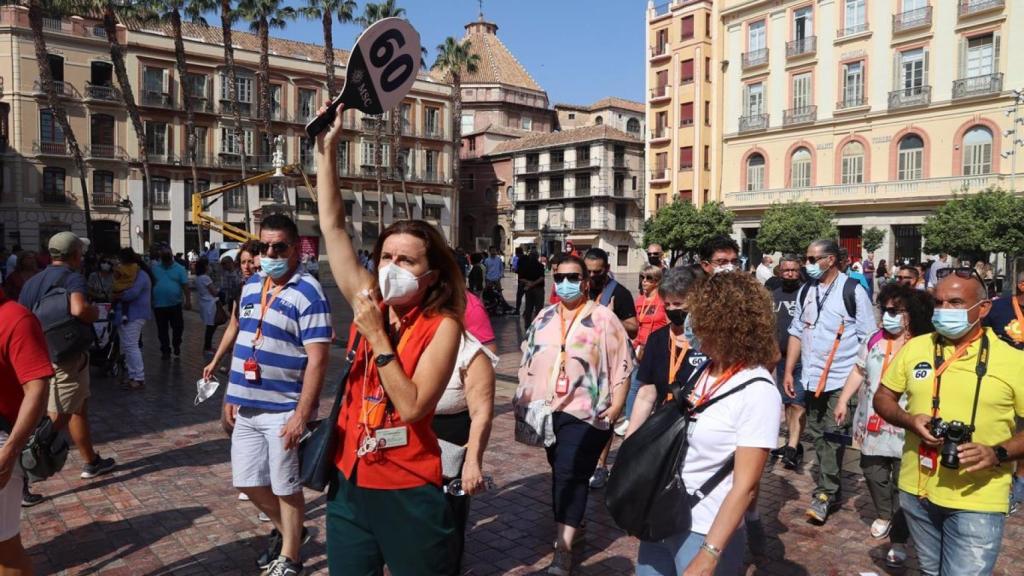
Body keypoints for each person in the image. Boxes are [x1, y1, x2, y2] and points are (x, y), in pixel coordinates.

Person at [317, 110, 465, 575]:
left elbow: (415, 406)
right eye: (386, 256)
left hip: (406, 483)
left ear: (431, 274)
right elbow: (334, 228)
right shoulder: (371, 300)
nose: (392, 267)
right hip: (350, 478)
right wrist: (327, 151)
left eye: (407, 260)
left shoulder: (442, 326)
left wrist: (378, 339)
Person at [874, 269, 1024, 576]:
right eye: (938, 302)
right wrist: (909, 420)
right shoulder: (916, 347)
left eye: (955, 303)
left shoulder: (1013, 360)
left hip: (978, 497)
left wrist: (997, 453)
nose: (944, 311)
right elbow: (883, 398)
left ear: (983, 309)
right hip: (917, 490)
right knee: (930, 572)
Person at [632, 272, 782, 576]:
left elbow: (745, 486)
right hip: (664, 515)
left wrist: (709, 554)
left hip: (705, 528)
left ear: (726, 323)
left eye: (697, 317)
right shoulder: (703, 372)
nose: (689, 325)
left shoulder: (758, 390)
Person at [224, 215, 331, 576]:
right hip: (248, 405)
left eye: (279, 247)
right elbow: (243, 341)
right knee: (246, 480)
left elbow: (318, 359)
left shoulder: (309, 292)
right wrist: (230, 393)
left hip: (284, 408)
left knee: (286, 487)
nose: (270, 253)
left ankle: (291, 558)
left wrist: (302, 413)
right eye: (263, 246)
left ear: (295, 248)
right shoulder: (252, 285)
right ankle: (292, 532)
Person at [515, 253, 633, 575]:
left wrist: (618, 404)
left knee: (568, 471)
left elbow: (624, 361)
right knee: (562, 471)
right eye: (560, 277)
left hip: (587, 410)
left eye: (573, 277)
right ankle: (574, 522)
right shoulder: (544, 316)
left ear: (585, 280)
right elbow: (529, 356)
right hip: (550, 408)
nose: (566, 283)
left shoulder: (603, 318)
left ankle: (563, 550)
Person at [833, 284, 935, 568]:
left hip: (909, 427)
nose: (886, 316)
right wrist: (843, 401)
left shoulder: (926, 343)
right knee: (873, 471)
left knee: (905, 483)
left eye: (894, 311)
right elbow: (859, 370)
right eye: (885, 309)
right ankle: (884, 513)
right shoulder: (873, 339)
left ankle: (900, 540)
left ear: (911, 314)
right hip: (873, 423)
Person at [783, 239, 874, 523]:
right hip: (810, 378)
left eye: (812, 258)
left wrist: (859, 385)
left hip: (840, 380)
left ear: (830, 260)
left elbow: (867, 339)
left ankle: (825, 491)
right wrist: (789, 371)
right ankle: (830, 484)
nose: (806, 264)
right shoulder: (806, 291)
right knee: (818, 433)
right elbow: (797, 331)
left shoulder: (853, 290)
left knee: (833, 436)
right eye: (805, 258)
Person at [19, 232, 115, 481]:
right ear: (74, 255)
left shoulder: (33, 282)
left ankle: (91, 461)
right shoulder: (73, 278)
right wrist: (94, 312)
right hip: (66, 354)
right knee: (60, 411)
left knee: (78, 406)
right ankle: (26, 467)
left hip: (39, 351)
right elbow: (78, 309)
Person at [432, 321, 498, 572]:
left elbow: (482, 413)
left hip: (452, 441)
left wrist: (473, 462)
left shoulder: (469, 351)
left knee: (449, 514)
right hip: (411, 440)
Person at [0, 287, 53, 574]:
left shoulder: (16, 319)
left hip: (2, 438)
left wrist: (9, 451)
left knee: (5, 549)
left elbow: (38, 388)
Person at [585, 248, 638, 488]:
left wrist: (609, 317)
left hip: (608, 364)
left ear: (607, 269)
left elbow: (634, 328)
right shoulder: (578, 288)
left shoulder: (619, 293)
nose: (593, 276)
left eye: (598, 271)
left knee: (604, 415)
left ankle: (600, 465)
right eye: (589, 271)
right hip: (581, 362)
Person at [625, 266, 701, 433]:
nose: (672, 309)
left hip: (700, 428)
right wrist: (629, 440)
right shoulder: (657, 340)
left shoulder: (709, 342)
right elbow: (646, 393)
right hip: (665, 426)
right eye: (667, 304)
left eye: (678, 304)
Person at [982, 269, 1024, 512]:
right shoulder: (999, 309)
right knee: (999, 430)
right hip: (997, 381)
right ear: (1021, 285)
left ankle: (1017, 485)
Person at [205, 241, 260, 386]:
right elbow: (233, 326)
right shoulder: (241, 289)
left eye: (250, 262)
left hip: (262, 359)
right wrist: (215, 361)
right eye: (243, 262)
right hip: (242, 357)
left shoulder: (269, 289)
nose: (246, 267)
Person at [621, 264, 668, 433]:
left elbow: (668, 323)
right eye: (642, 278)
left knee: (655, 383)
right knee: (635, 383)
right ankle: (629, 418)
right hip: (639, 346)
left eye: (649, 278)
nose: (644, 282)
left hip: (657, 346)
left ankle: (654, 416)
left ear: (657, 282)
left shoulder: (663, 300)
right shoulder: (640, 300)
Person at [770, 255, 806, 469]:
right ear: (779, 272)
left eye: (794, 270)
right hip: (781, 359)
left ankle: (792, 447)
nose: (790, 274)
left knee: (798, 402)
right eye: (786, 271)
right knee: (787, 404)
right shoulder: (773, 296)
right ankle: (793, 442)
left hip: (804, 359)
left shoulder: (807, 294)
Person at [114, 248, 152, 391]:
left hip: (135, 314)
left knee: (131, 345)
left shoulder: (141, 275)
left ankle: (138, 377)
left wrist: (118, 295)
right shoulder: (134, 274)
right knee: (127, 346)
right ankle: (133, 375)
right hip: (127, 314)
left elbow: (132, 293)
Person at [151, 245, 191, 357]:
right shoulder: (155, 269)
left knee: (178, 327)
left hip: (175, 304)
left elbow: (185, 286)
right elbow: (150, 285)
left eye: (167, 259)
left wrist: (188, 301)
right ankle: (165, 350)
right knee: (162, 330)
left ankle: (176, 344)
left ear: (171, 257)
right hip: (159, 305)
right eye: (164, 259)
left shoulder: (180, 269)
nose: (166, 262)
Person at [194, 257, 219, 355]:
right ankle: (207, 347)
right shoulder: (205, 278)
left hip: (204, 304)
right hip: (211, 304)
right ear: (205, 266)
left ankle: (208, 346)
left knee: (210, 326)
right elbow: (214, 292)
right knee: (211, 326)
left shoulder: (198, 278)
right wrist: (219, 290)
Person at [517, 249, 546, 325]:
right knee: (539, 308)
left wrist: (529, 283)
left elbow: (521, 278)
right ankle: (538, 325)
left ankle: (527, 325)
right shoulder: (540, 266)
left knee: (528, 307)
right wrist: (533, 283)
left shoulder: (525, 266)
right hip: (538, 289)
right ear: (537, 257)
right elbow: (542, 278)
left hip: (529, 289)